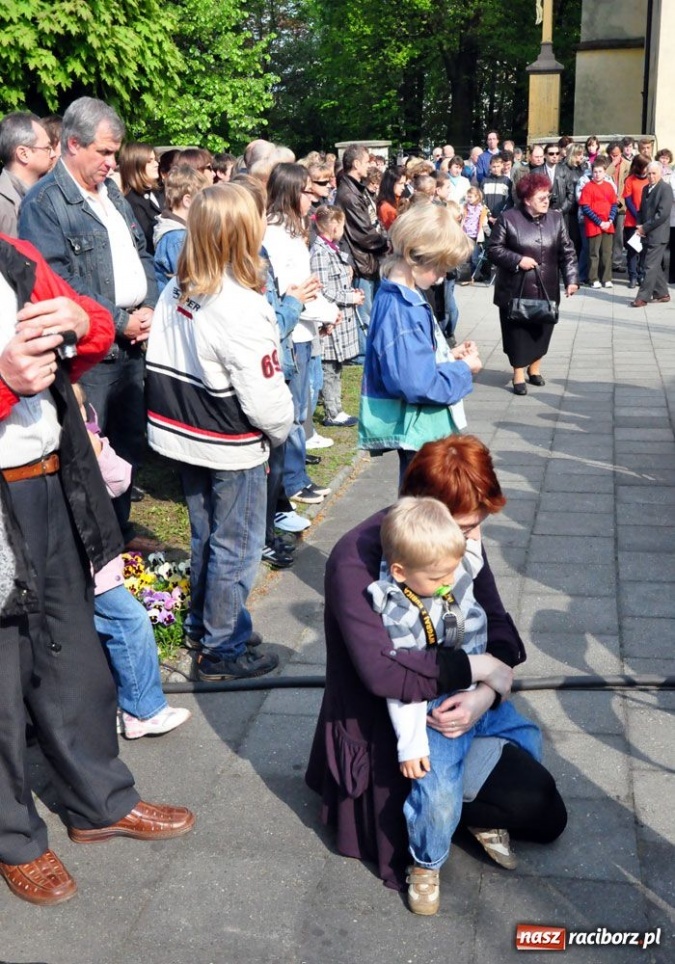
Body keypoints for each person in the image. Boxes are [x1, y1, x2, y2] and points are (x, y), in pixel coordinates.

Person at [0, 234, 194, 905]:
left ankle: (99, 801)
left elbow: (94, 323)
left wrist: (82, 322)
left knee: (71, 652)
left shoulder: (9, 251)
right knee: (1, 674)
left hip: (52, 478)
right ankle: (15, 837)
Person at [305, 434, 567, 895]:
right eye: (467, 528)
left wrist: (484, 696)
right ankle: (431, 849)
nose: (474, 539)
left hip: (455, 704)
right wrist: (481, 669)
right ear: (428, 512)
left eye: (477, 526)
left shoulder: (450, 546)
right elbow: (383, 672)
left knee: (545, 811)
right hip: (394, 730)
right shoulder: (355, 559)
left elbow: (498, 623)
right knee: (531, 805)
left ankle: (463, 808)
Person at [145, 183, 293, 681]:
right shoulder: (239, 304)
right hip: (230, 441)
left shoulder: (176, 288)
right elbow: (267, 398)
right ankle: (222, 649)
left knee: (206, 533)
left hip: (184, 432)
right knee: (238, 544)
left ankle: (205, 624)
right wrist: (278, 433)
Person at [370, 495, 541, 913]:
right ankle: (425, 863)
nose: (450, 581)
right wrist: (411, 743)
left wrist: (473, 534)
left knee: (528, 740)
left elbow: (472, 559)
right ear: (400, 572)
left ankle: (482, 813)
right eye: (438, 577)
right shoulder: (397, 610)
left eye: (454, 568)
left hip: (479, 681)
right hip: (436, 706)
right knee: (437, 784)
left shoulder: (447, 560)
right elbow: (405, 685)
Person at [18, 97, 158, 545]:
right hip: (92, 354)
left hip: (133, 344)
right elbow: (58, 280)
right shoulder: (45, 203)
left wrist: (149, 308)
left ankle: (120, 531)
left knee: (128, 445)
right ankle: (96, 550)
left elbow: (142, 252)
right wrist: (119, 321)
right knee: (90, 452)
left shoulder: (110, 192)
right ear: (73, 145)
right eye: (104, 152)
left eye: (115, 152)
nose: (112, 162)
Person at [72, 383, 191, 738]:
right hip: (91, 566)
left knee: (103, 632)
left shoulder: (88, 447)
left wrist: (97, 444)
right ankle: (143, 710)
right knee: (131, 623)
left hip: (101, 561)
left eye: (81, 409)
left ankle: (116, 705)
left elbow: (121, 480)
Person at [358, 203, 480, 484]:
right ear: (415, 255)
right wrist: (464, 369)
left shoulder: (401, 296)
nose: (440, 278)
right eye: (439, 268)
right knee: (426, 516)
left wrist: (446, 355)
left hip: (422, 430)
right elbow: (416, 383)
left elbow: (412, 359)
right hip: (421, 432)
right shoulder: (404, 308)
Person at [264, 163, 338, 504]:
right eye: (308, 192)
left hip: (305, 330)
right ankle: (291, 481)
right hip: (291, 334)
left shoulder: (294, 231)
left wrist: (324, 312)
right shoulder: (275, 235)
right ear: (293, 193)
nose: (314, 199)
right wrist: (325, 310)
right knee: (291, 412)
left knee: (300, 408)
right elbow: (289, 292)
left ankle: (295, 476)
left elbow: (306, 287)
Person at [488, 173, 578, 395]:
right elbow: (493, 249)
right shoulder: (508, 218)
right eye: (541, 198)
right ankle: (518, 373)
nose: (547, 201)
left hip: (546, 288)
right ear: (527, 200)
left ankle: (534, 369)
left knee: (543, 329)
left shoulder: (556, 219)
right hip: (515, 289)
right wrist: (518, 260)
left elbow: (567, 251)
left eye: (548, 196)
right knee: (517, 332)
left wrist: (571, 279)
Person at [310, 205, 363, 428]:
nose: (343, 229)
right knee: (329, 368)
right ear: (333, 225)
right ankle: (333, 411)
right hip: (331, 319)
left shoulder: (331, 248)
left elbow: (337, 280)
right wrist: (350, 298)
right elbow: (324, 289)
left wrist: (351, 291)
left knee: (336, 367)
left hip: (340, 318)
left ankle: (336, 407)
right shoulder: (320, 252)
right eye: (341, 225)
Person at [153, 164, 212, 292]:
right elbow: (191, 282)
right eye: (203, 201)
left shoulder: (179, 234)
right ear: (188, 201)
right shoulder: (177, 238)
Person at [0, 112, 55, 236]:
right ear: (23, 154)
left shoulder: (46, 194)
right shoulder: (2, 205)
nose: (53, 154)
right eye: (47, 148)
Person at [630, 161, 673, 308]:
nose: (651, 176)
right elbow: (641, 209)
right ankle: (662, 293)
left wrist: (645, 227)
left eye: (654, 173)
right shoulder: (645, 188)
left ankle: (642, 298)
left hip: (658, 234)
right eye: (649, 173)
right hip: (647, 232)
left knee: (649, 265)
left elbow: (662, 214)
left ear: (660, 173)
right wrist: (639, 224)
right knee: (654, 266)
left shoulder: (666, 189)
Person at [579, 156, 617, 289]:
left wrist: (610, 220)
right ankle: (593, 278)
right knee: (594, 253)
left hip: (608, 223)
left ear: (605, 172)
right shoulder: (588, 187)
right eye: (595, 172)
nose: (597, 174)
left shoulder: (609, 187)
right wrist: (599, 222)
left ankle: (606, 278)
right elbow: (586, 207)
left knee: (607, 252)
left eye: (600, 171)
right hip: (594, 225)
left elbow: (614, 204)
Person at [118, 142, 163, 255]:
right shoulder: (131, 201)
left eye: (155, 159)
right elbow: (148, 237)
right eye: (149, 161)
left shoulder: (161, 192)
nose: (156, 164)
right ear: (135, 166)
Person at [622, 154, 649, 289]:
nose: (646, 169)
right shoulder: (630, 180)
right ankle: (632, 275)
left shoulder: (650, 180)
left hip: (647, 221)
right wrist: (638, 216)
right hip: (632, 222)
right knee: (633, 250)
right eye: (644, 166)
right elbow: (628, 200)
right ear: (639, 167)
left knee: (644, 250)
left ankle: (641, 274)